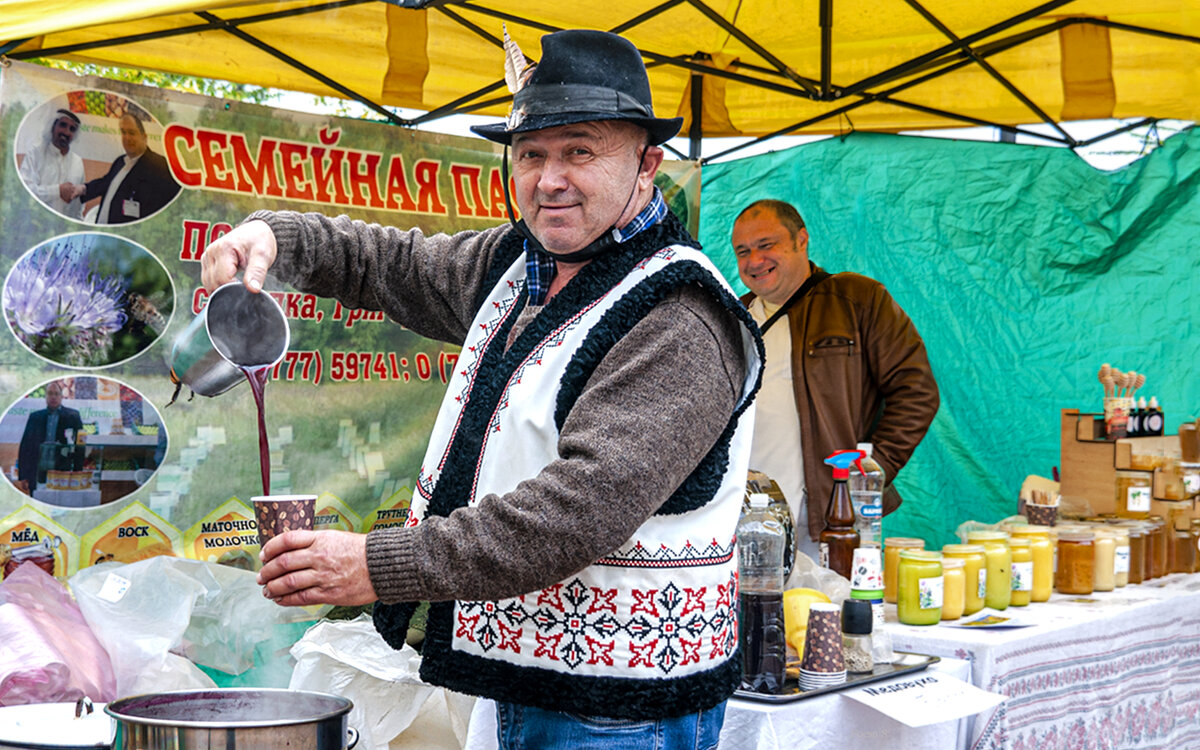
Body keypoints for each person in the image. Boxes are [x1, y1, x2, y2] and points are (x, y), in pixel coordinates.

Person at [202, 29, 762, 748]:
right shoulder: (518, 262)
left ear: (648, 164)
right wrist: (275, 236)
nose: (549, 179)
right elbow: (390, 263)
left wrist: (376, 565)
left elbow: (577, 513)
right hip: (522, 682)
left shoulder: (678, 315)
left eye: (580, 151)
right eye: (531, 154)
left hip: (621, 712)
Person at [731, 199, 938, 558]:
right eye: (743, 251)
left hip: (829, 518)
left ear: (801, 239)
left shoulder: (857, 299)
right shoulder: (733, 316)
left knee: (824, 612)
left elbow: (916, 390)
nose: (754, 261)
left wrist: (870, 474)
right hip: (744, 519)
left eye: (766, 245)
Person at [68, 113, 180, 224]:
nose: (127, 138)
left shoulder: (159, 166)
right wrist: (83, 188)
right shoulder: (120, 162)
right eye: (123, 132)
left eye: (132, 133)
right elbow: (105, 183)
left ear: (144, 137)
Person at [17, 381, 84, 495]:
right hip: (38, 470)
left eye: (56, 394)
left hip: (63, 470)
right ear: (46, 396)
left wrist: (78, 472)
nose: (53, 397)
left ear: (62, 397)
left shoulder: (73, 416)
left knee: (61, 505)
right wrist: (23, 475)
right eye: (50, 393)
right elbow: (25, 447)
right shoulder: (35, 417)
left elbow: (80, 446)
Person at [18, 108, 86, 219]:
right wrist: (58, 190)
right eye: (63, 125)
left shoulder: (77, 162)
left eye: (72, 129)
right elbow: (25, 193)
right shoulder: (35, 154)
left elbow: (79, 203)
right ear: (53, 127)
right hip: (36, 225)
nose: (66, 132)